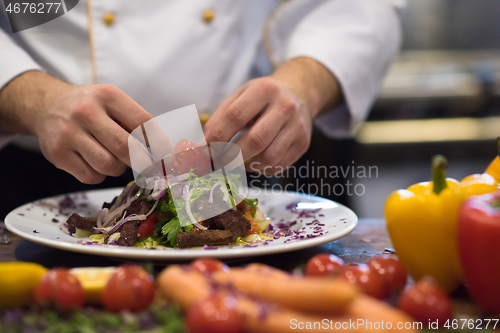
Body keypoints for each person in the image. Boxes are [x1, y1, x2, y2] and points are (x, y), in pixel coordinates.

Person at [0, 0, 403, 186]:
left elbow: (360, 8)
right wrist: (30, 96)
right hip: (45, 177)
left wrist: (305, 83)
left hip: (244, 163)